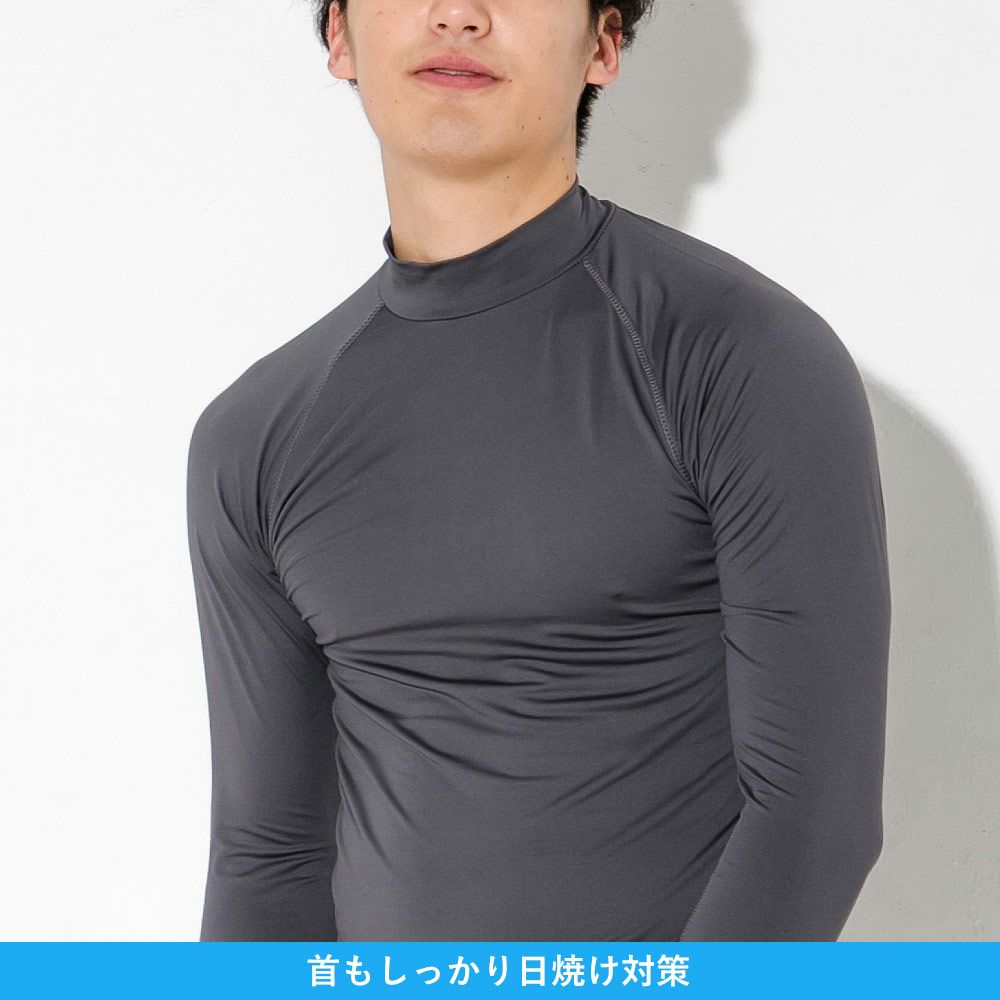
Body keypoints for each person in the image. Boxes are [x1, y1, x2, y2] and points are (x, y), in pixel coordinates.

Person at [185, 0, 891, 942]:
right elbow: (265, 854)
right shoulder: (256, 433)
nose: (458, 14)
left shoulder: (740, 354)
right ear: (341, 36)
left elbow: (815, 824)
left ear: (603, 43)